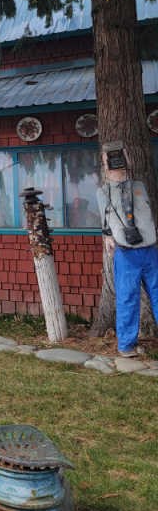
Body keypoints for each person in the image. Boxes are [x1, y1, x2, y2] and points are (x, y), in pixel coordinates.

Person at [96, 141, 158, 357]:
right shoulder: (103, 192)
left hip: (150, 249)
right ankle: (126, 345)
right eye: (111, 158)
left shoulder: (139, 186)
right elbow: (105, 220)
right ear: (104, 164)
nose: (117, 161)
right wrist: (107, 236)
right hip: (126, 252)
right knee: (127, 297)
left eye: (120, 156)